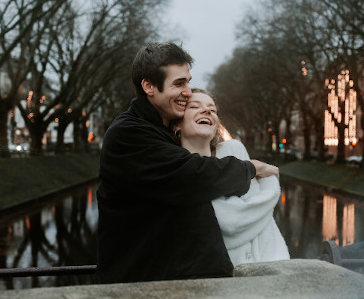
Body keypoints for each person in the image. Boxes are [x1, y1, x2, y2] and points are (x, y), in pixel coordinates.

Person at [95, 42, 278, 284]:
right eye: (179, 83)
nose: (188, 91)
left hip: (178, 283)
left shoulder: (158, 131)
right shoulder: (128, 134)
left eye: (188, 82)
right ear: (149, 86)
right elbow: (192, 175)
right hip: (144, 285)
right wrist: (252, 168)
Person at [173, 88, 289, 267]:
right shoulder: (171, 170)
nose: (207, 111)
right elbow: (237, 219)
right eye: (195, 106)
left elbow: (264, 227)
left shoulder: (233, 151)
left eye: (213, 110)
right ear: (176, 125)